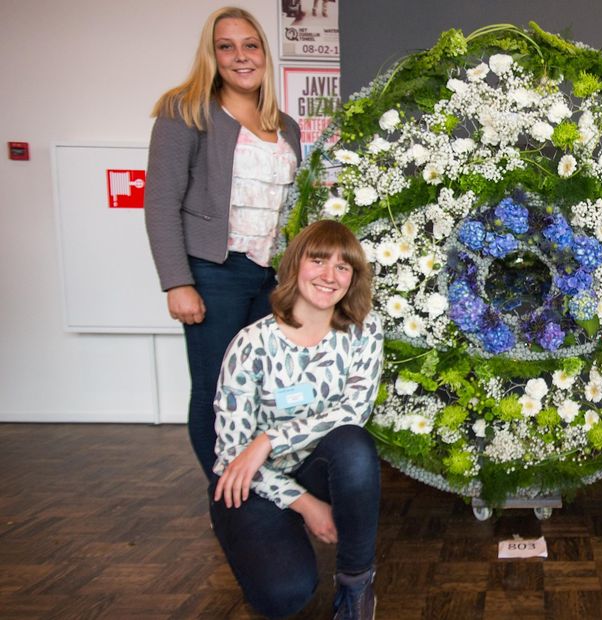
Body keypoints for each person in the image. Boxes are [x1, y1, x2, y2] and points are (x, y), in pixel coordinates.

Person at [145, 7, 302, 481]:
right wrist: (177, 281)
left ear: (263, 54)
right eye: (226, 46)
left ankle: (256, 486)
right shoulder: (185, 109)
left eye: (250, 45)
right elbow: (160, 203)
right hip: (213, 273)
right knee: (217, 391)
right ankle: (225, 494)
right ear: (211, 55)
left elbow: (293, 205)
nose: (240, 57)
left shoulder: (285, 124)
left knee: (261, 389)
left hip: (270, 279)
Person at [210, 219, 384, 619]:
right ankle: (258, 539)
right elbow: (229, 458)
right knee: (284, 596)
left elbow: (352, 411)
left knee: (354, 444)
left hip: (315, 467)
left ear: (353, 278)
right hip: (255, 484)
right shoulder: (251, 344)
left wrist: (268, 440)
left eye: (343, 267)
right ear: (294, 266)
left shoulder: (363, 331)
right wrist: (305, 505)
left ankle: (356, 586)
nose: (329, 276)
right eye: (318, 260)